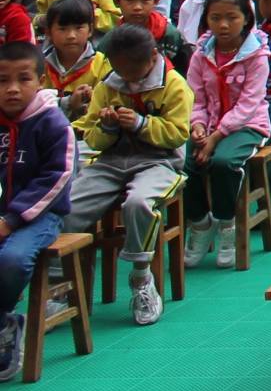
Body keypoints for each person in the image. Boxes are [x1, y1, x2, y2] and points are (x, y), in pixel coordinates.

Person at [65, 22, 193, 325]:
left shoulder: (174, 85)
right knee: (68, 206)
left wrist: (140, 124)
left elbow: (177, 134)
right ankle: (63, 288)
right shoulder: (108, 85)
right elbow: (92, 138)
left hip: (159, 163)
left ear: (151, 57)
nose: (124, 76)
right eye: (118, 68)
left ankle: (141, 278)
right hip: (111, 162)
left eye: (130, 70)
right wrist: (108, 127)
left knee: (138, 204)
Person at [180, 0, 270, 269]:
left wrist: (217, 136)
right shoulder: (200, 53)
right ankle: (199, 223)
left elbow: (248, 104)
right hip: (208, 126)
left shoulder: (257, 55)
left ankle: (226, 223)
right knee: (184, 162)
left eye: (231, 17)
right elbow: (195, 97)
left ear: (246, 18)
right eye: (216, 17)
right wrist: (197, 126)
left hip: (247, 125)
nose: (223, 24)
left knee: (222, 162)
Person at [0, 40, 76, 378]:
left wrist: (12, 218)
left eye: (23, 79)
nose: (13, 89)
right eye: (2, 80)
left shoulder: (53, 123)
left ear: (41, 82)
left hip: (41, 217)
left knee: (12, 259)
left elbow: (56, 176)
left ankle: (6, 323)